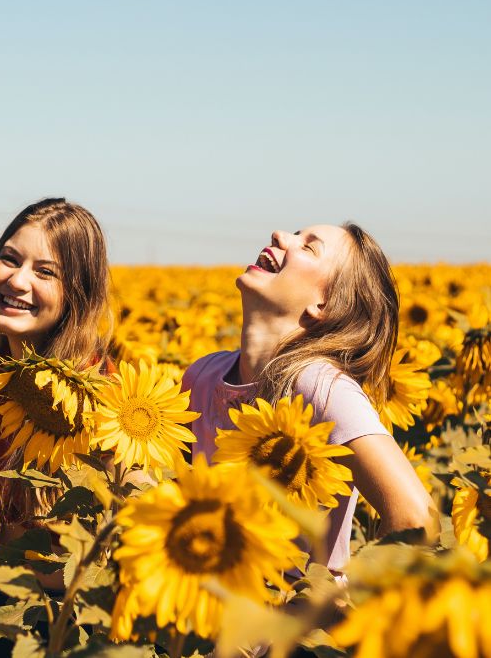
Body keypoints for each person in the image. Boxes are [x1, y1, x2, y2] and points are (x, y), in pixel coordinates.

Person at [182, 223, 439, 575]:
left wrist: (340, 606)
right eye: (294, 233)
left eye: (308, 247)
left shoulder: (319, 386)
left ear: (324, 305)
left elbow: (415, 517)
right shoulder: (202, 375)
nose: (279, 235)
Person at [0, 198, 111, 529]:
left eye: (45, 272)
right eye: (9, 259)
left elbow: (112, 518)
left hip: (74, 580)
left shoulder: (105, 390)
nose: (18, 281)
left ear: (77, 293)